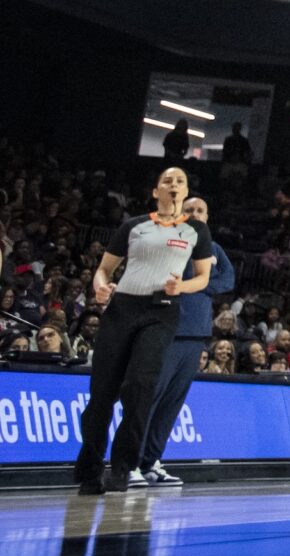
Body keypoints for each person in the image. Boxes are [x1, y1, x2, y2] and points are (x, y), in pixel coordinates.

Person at [73, 166, 212, 494]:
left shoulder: (196, 232)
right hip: (122, 309)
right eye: (168, 181)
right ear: (156, 191)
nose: (174, 186)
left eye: (180, 182)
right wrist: (101, 287)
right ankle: (90, 469)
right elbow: (103, 270)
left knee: (139, 388)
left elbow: (203, 277)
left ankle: (123, 468)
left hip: (160, 312)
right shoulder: (134, 226)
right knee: (101, 394)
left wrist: (182, 286)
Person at [137, 192, 231, 487]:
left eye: (200, 210)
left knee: (171, 403)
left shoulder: (214, 248)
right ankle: (128, 462)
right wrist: (199, 285)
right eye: (189, 209)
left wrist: (196, 286)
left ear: (207, 216)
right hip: (167, 330)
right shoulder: (168, 241)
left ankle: (151, 461)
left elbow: (227, 280)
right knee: (149, 399)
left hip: (196, 334)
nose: (195, 214)